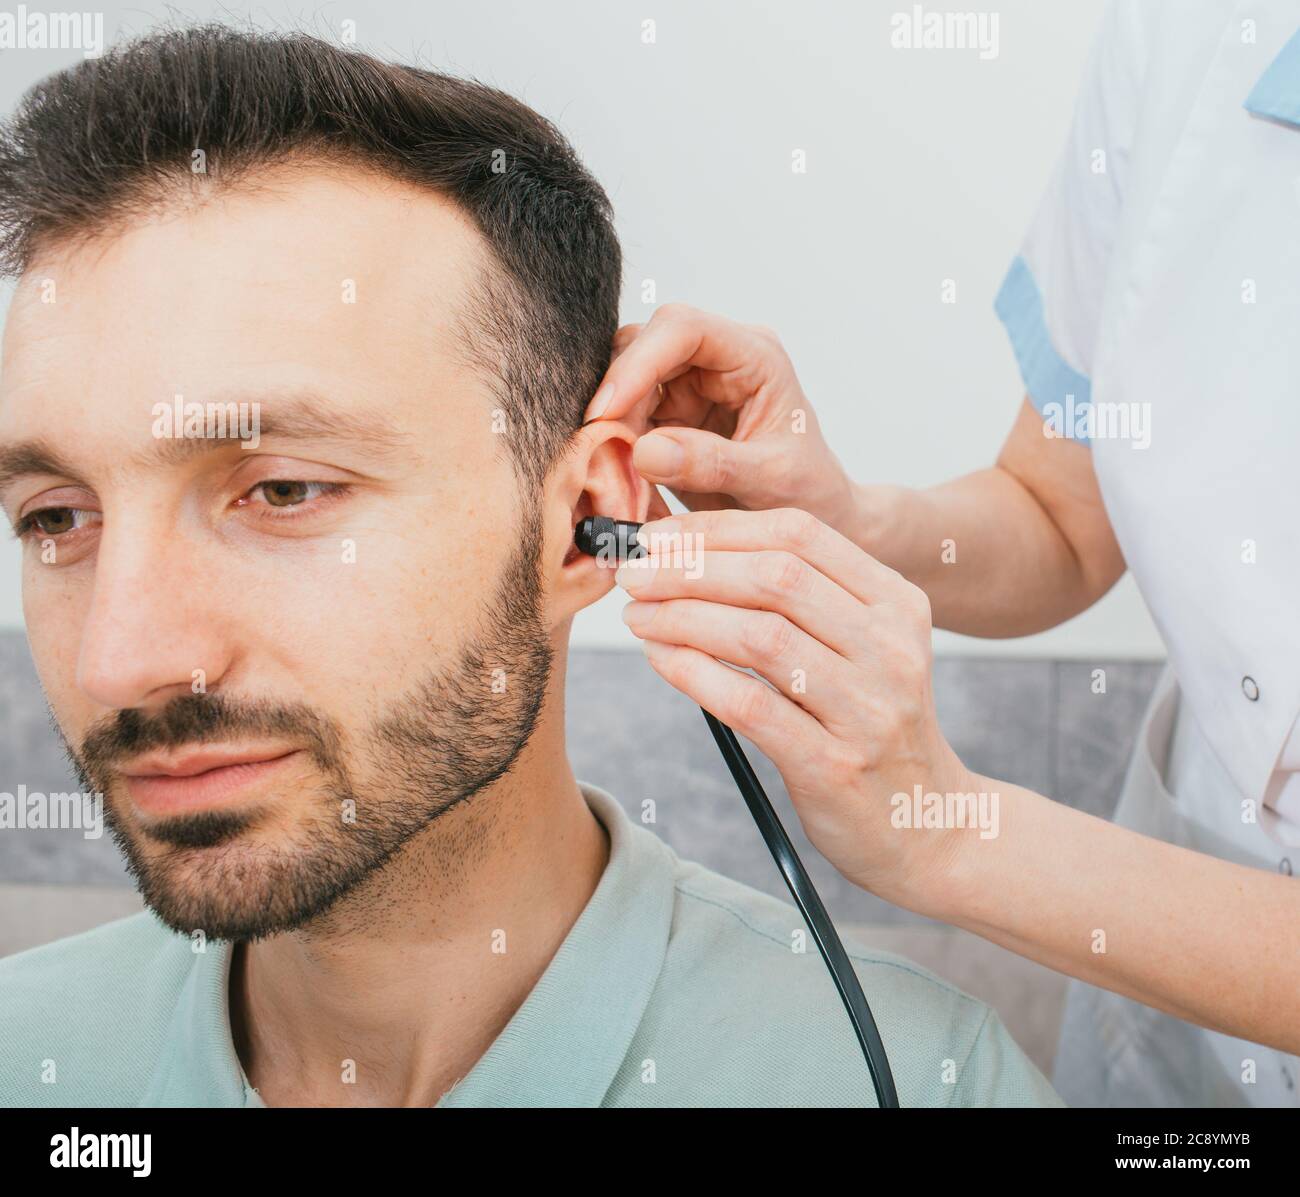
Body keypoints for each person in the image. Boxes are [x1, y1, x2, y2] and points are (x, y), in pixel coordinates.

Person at [0, 26, 1058, 1108]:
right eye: (55, 518)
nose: (119, 659)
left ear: (583, 520)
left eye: (283, 491)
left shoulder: (910, 1086)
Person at [588, 0, 1300, 1107]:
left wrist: (949, 833)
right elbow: (1057, 518)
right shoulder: (1190, 39)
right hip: (1180, 945)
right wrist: (845, 518)